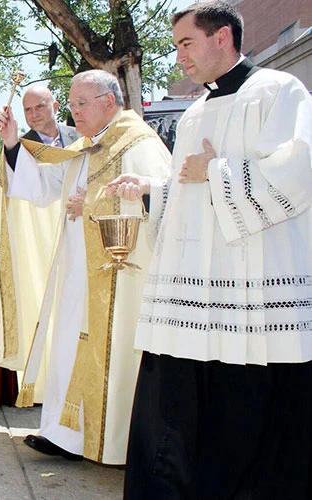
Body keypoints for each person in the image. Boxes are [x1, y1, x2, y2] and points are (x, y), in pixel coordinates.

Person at [105, 2, 312, 497]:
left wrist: (215, 173)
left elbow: (296, 175)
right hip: (195, 299)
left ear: (222, 37)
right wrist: (155, 189)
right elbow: (190, 195)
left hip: (252, 296)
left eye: (186, 43)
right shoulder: (196, 109)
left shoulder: (280, 92)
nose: (179, 57)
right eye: (176, 46)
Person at [0, 70, 171, 464]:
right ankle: (64, 435)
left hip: (118, 279)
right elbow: (43, 189)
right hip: (77, 272)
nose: (72, 112)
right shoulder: (89, 147)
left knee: (111, 355)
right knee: (69, 349)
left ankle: (112, 439)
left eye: (80, 104)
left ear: (109, 102)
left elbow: (160, 203)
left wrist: (88, 202)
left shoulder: (137, 143)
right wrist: (11, 144)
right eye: (71, 104)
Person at [0, 87, 80, 382]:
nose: (34, 115)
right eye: (27, 110)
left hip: (81, 228)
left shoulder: (79, 135)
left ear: (54, 105)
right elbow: (26, 189)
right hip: (44, 238)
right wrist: (11, 142)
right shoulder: (22, 146)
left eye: (39, 107)